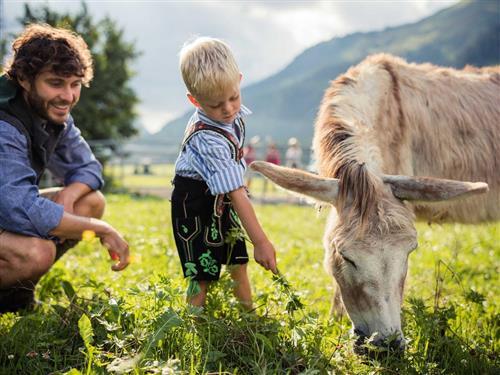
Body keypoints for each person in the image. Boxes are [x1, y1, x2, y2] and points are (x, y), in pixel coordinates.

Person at [0, 24, 130, 313]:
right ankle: (13, 291)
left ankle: (14, 294)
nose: (68, 96)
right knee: (37, 253)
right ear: (24, 78)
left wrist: (69, 195)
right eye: (56, 83)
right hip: (8, 209)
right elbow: (19, 209)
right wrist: (101, 229)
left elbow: (88, 168)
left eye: (75, 84)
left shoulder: (51, 113)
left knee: (89, 202)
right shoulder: (5, 124)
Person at [171, 36, 277, 309]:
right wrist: (261, 242)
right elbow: (236, 191)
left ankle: (248, 314)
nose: (228, 109)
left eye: (233, 98)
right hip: (194, 203)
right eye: (216, 105)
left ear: (239, 81)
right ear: (194, 100)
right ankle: (194, 318)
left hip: (223, 198)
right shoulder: (206, 138)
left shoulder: (234, 116)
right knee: (201, 271)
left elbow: (233, 187)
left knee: (237, 259)